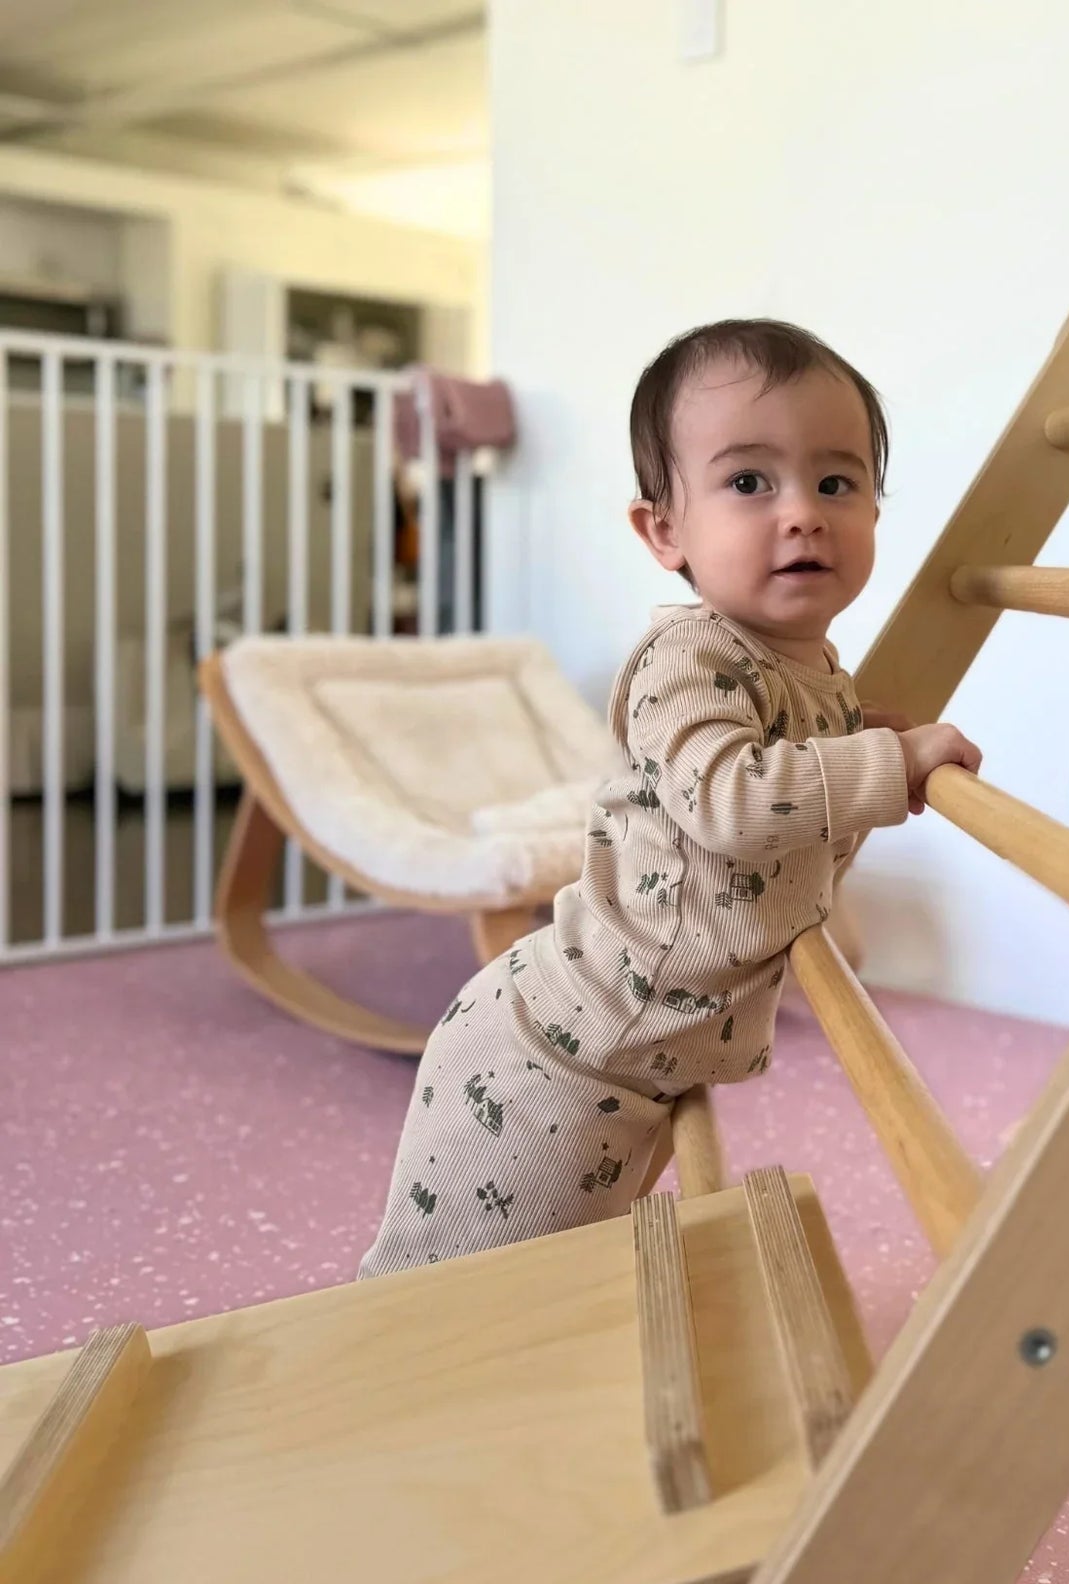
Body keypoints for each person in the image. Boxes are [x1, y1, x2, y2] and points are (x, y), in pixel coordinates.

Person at [359, 319, 979, 1277]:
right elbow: (729, 801)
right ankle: (382, 1360)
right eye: (749, 482)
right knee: (453, 1284)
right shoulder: (688, 659)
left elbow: (793, 787)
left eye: (836, 483)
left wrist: (858, 733)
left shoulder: (809, 665)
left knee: (559, 1269)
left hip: (640, 1051)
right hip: (564, 1051)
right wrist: (885, 766)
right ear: (664, 531)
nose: (803, 513)